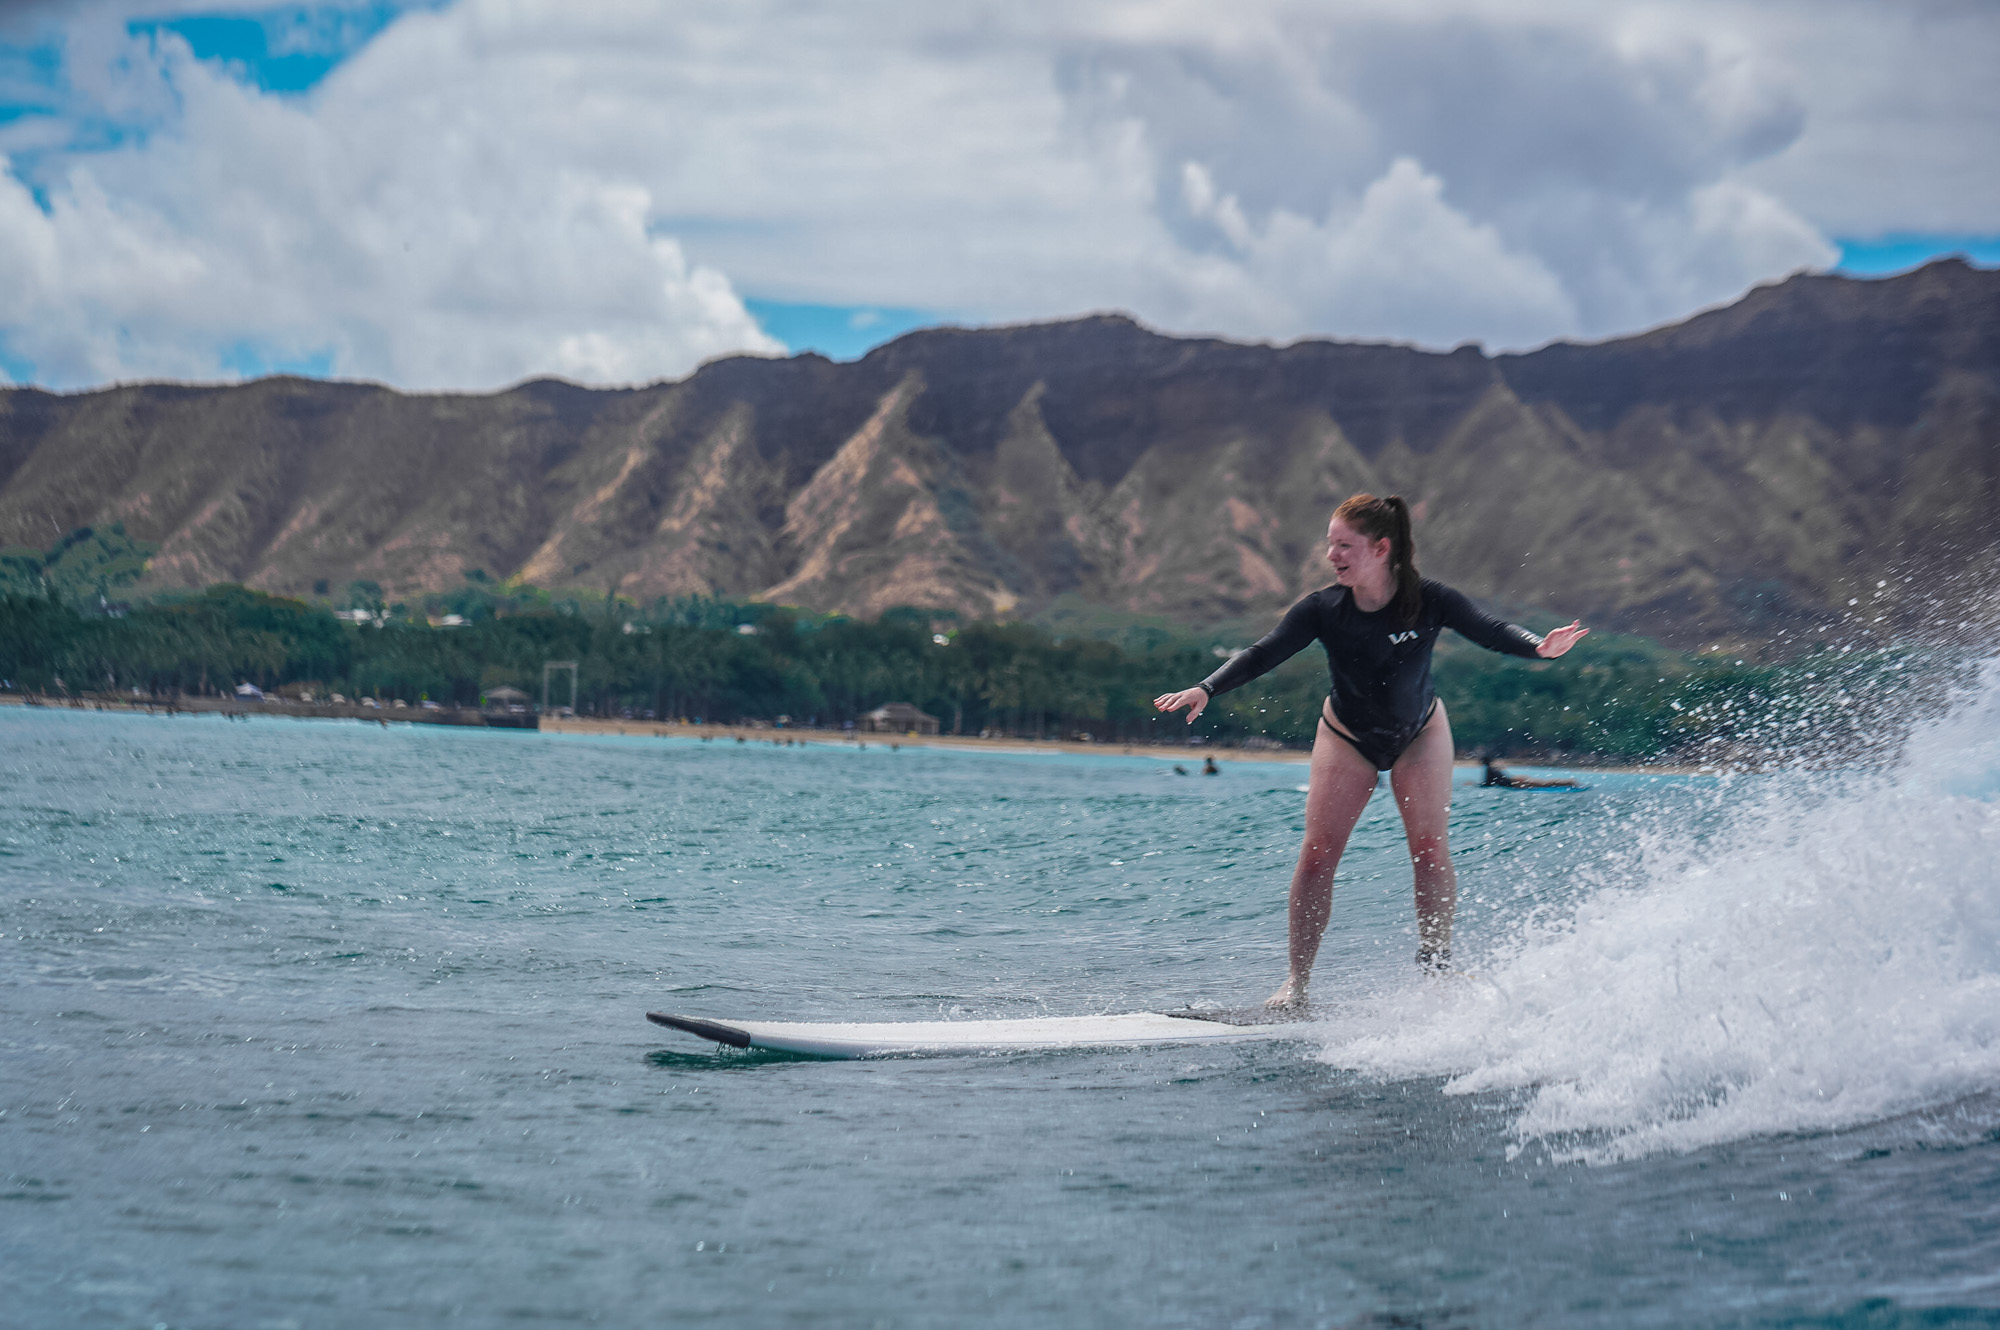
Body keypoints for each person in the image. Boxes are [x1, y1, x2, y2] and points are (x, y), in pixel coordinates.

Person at [1153, 494, 1587, 1008]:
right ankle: (1298, 983)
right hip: (1347, 736)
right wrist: (1207, 687)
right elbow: (1263, 652)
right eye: (1330, 544)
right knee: (1317, 856)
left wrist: (1537, 646)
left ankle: (1437, 970)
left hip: (1420, 733)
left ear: (1381, 549)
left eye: (1344, 545)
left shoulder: (1431, 599)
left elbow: (1490, 630)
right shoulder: (1323, 609)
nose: (1331, 555)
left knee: (1429, 851)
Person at [1481, 756, 1581, 790]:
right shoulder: (1494, 768)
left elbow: (1488, 783)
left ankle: (1570, 782)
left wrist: (1477, 785)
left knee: (1545, 784)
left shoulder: (1489, 770)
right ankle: (1569, 782)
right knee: (1544, 783)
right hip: (1517, 779)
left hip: (1516, 783)